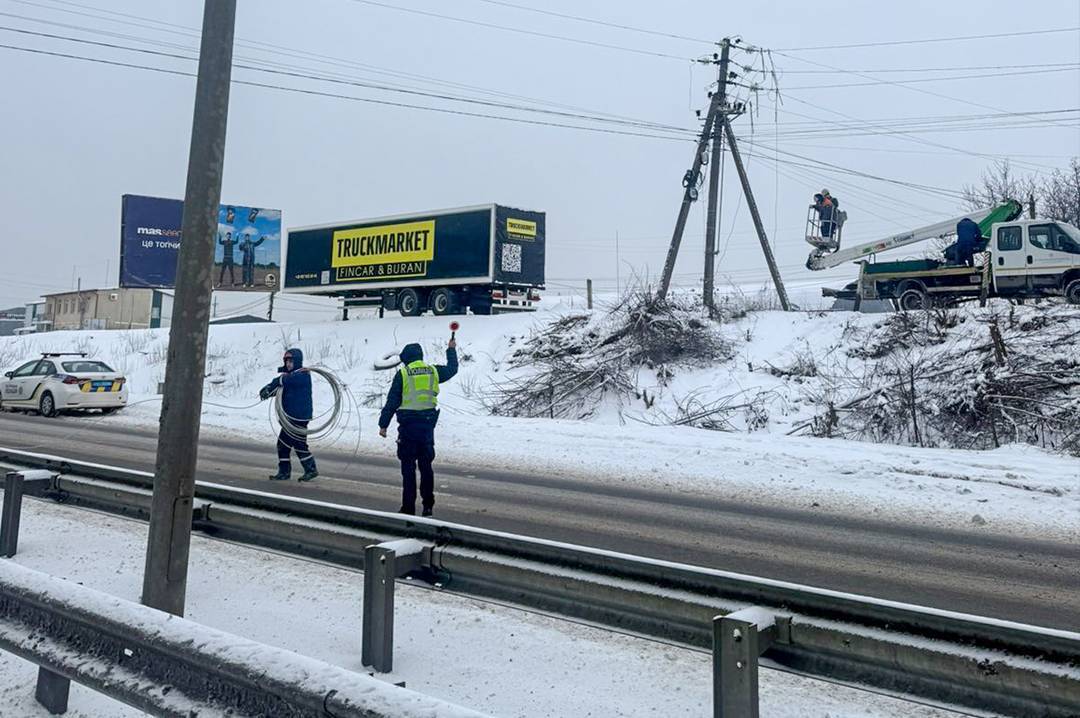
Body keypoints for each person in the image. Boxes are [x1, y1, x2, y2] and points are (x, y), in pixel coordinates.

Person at [378, 339, 458, 516]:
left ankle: (408, 508)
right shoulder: (433, 371)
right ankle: (428, 506)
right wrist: (451, 350)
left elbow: (392, 401)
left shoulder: (403, 374)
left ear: (406, 358)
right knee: (426, 467)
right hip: (427, 427)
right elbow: (452, 369)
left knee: (408, 469)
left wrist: (383, 424)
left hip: (408, 428)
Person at [259, 348, 318, 482]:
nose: (289, 364)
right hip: (290, 418)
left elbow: (284, 380)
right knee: (291, 444)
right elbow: (280, 386)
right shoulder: (290, 376)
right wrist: (268, 391)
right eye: (287, 361)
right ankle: (293, 471)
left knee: (292, 444)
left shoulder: (302, 375)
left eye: (291, 361)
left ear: (297, 362)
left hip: (298, 417)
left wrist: (273, 384)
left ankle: (305, 470)